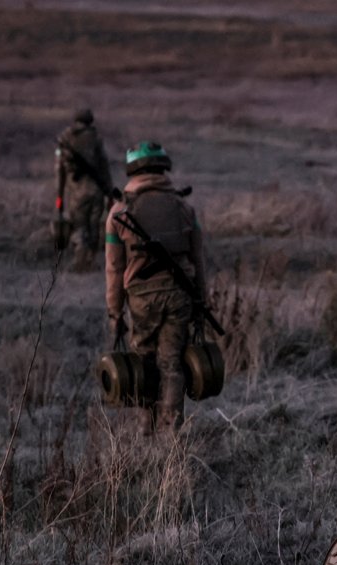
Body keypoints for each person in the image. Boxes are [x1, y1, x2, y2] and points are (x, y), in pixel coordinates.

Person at [105, 141, 206, 434]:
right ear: (163, 168)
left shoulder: (118, 212)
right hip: (180, 296)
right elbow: (198, 259)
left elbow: (114, 268)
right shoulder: (185, 208)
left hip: (141, 299)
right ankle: (171, 433)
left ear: (133, 169)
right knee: (172, 363)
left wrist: (114, 312)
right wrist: (202, 301)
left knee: (144, 362)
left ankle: (145, 430)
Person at [55, 108, 114, 272]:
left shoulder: (64, 139)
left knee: (79, 226)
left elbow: (59, 171)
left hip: (76, 192)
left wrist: (59, 197)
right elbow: (104, 167)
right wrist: (110, 193)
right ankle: (90, 260)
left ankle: (79, 260)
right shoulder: (96, 139)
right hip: (96, 191)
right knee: (94, 227)